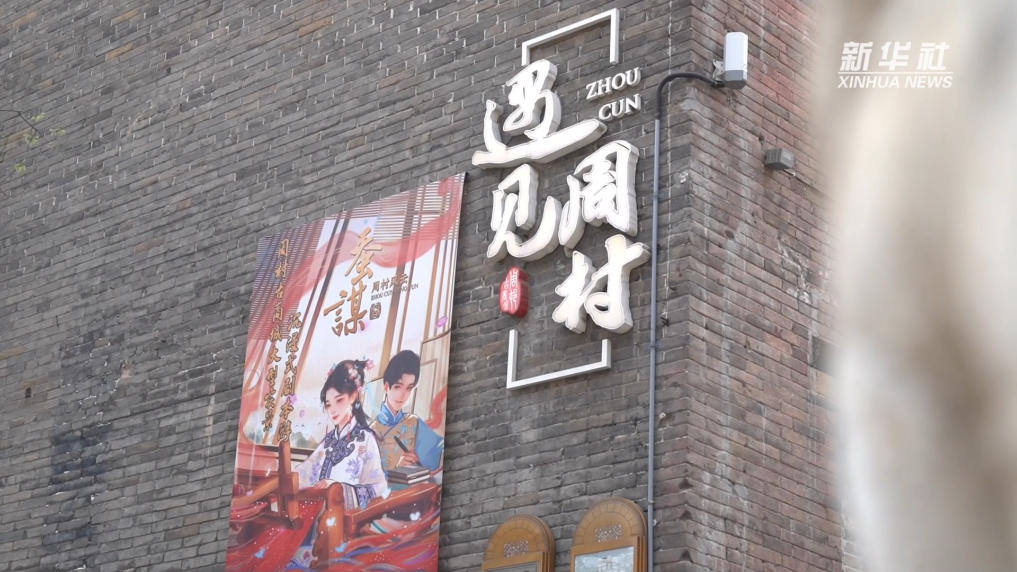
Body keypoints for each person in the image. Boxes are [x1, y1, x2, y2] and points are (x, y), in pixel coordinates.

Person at [294, 360, 389, 509]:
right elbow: (305, 472)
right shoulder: (329, 441)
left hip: (349, 516)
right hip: (320, 510)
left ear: (353, 396)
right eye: (328, 404)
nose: (332, 410)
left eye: (339, 400)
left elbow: (379, 488)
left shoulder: (365, 439)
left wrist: (339, 489)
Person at [369, 350, 444, 474]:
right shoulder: (371, 432)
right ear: (386, 387)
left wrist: (418, 462)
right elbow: (367, 478)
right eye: (398, 387)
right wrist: (398, 468)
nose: (403, 395)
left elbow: (438, 453)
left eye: (408, 388)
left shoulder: (414, 422)